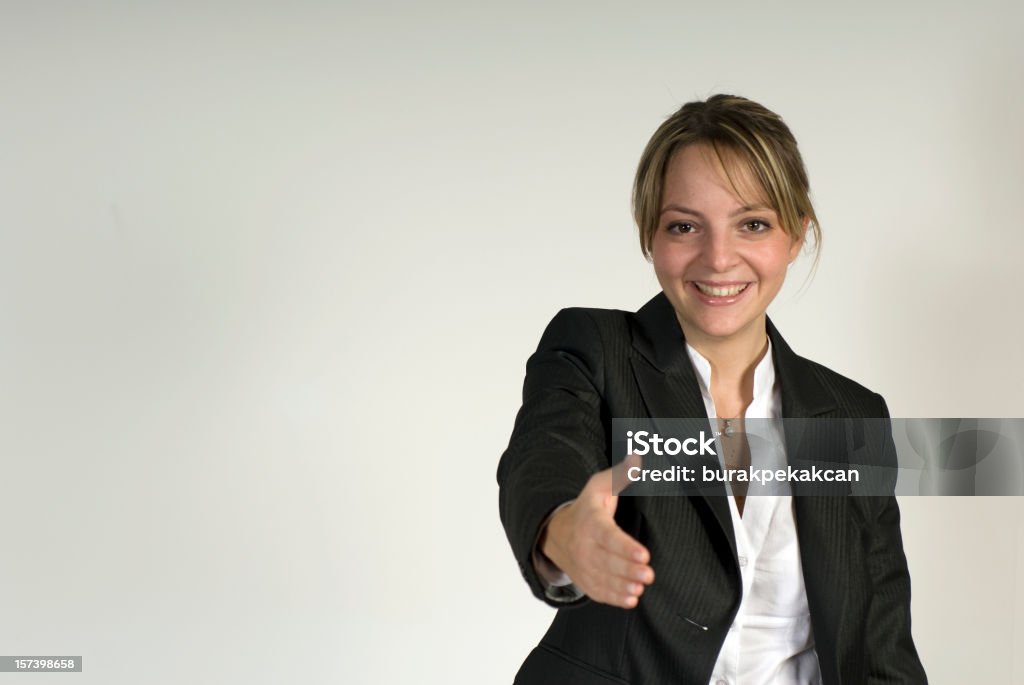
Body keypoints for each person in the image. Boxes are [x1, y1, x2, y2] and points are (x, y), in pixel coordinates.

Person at [496, 95, 927, 684]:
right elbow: (545, 456)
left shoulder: (852, 416)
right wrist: (563, 531)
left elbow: (880, 648)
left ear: (797, 234)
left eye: (752, 224)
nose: (719, 258)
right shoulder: (593, 348)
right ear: (650, 236)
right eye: (684, 226)